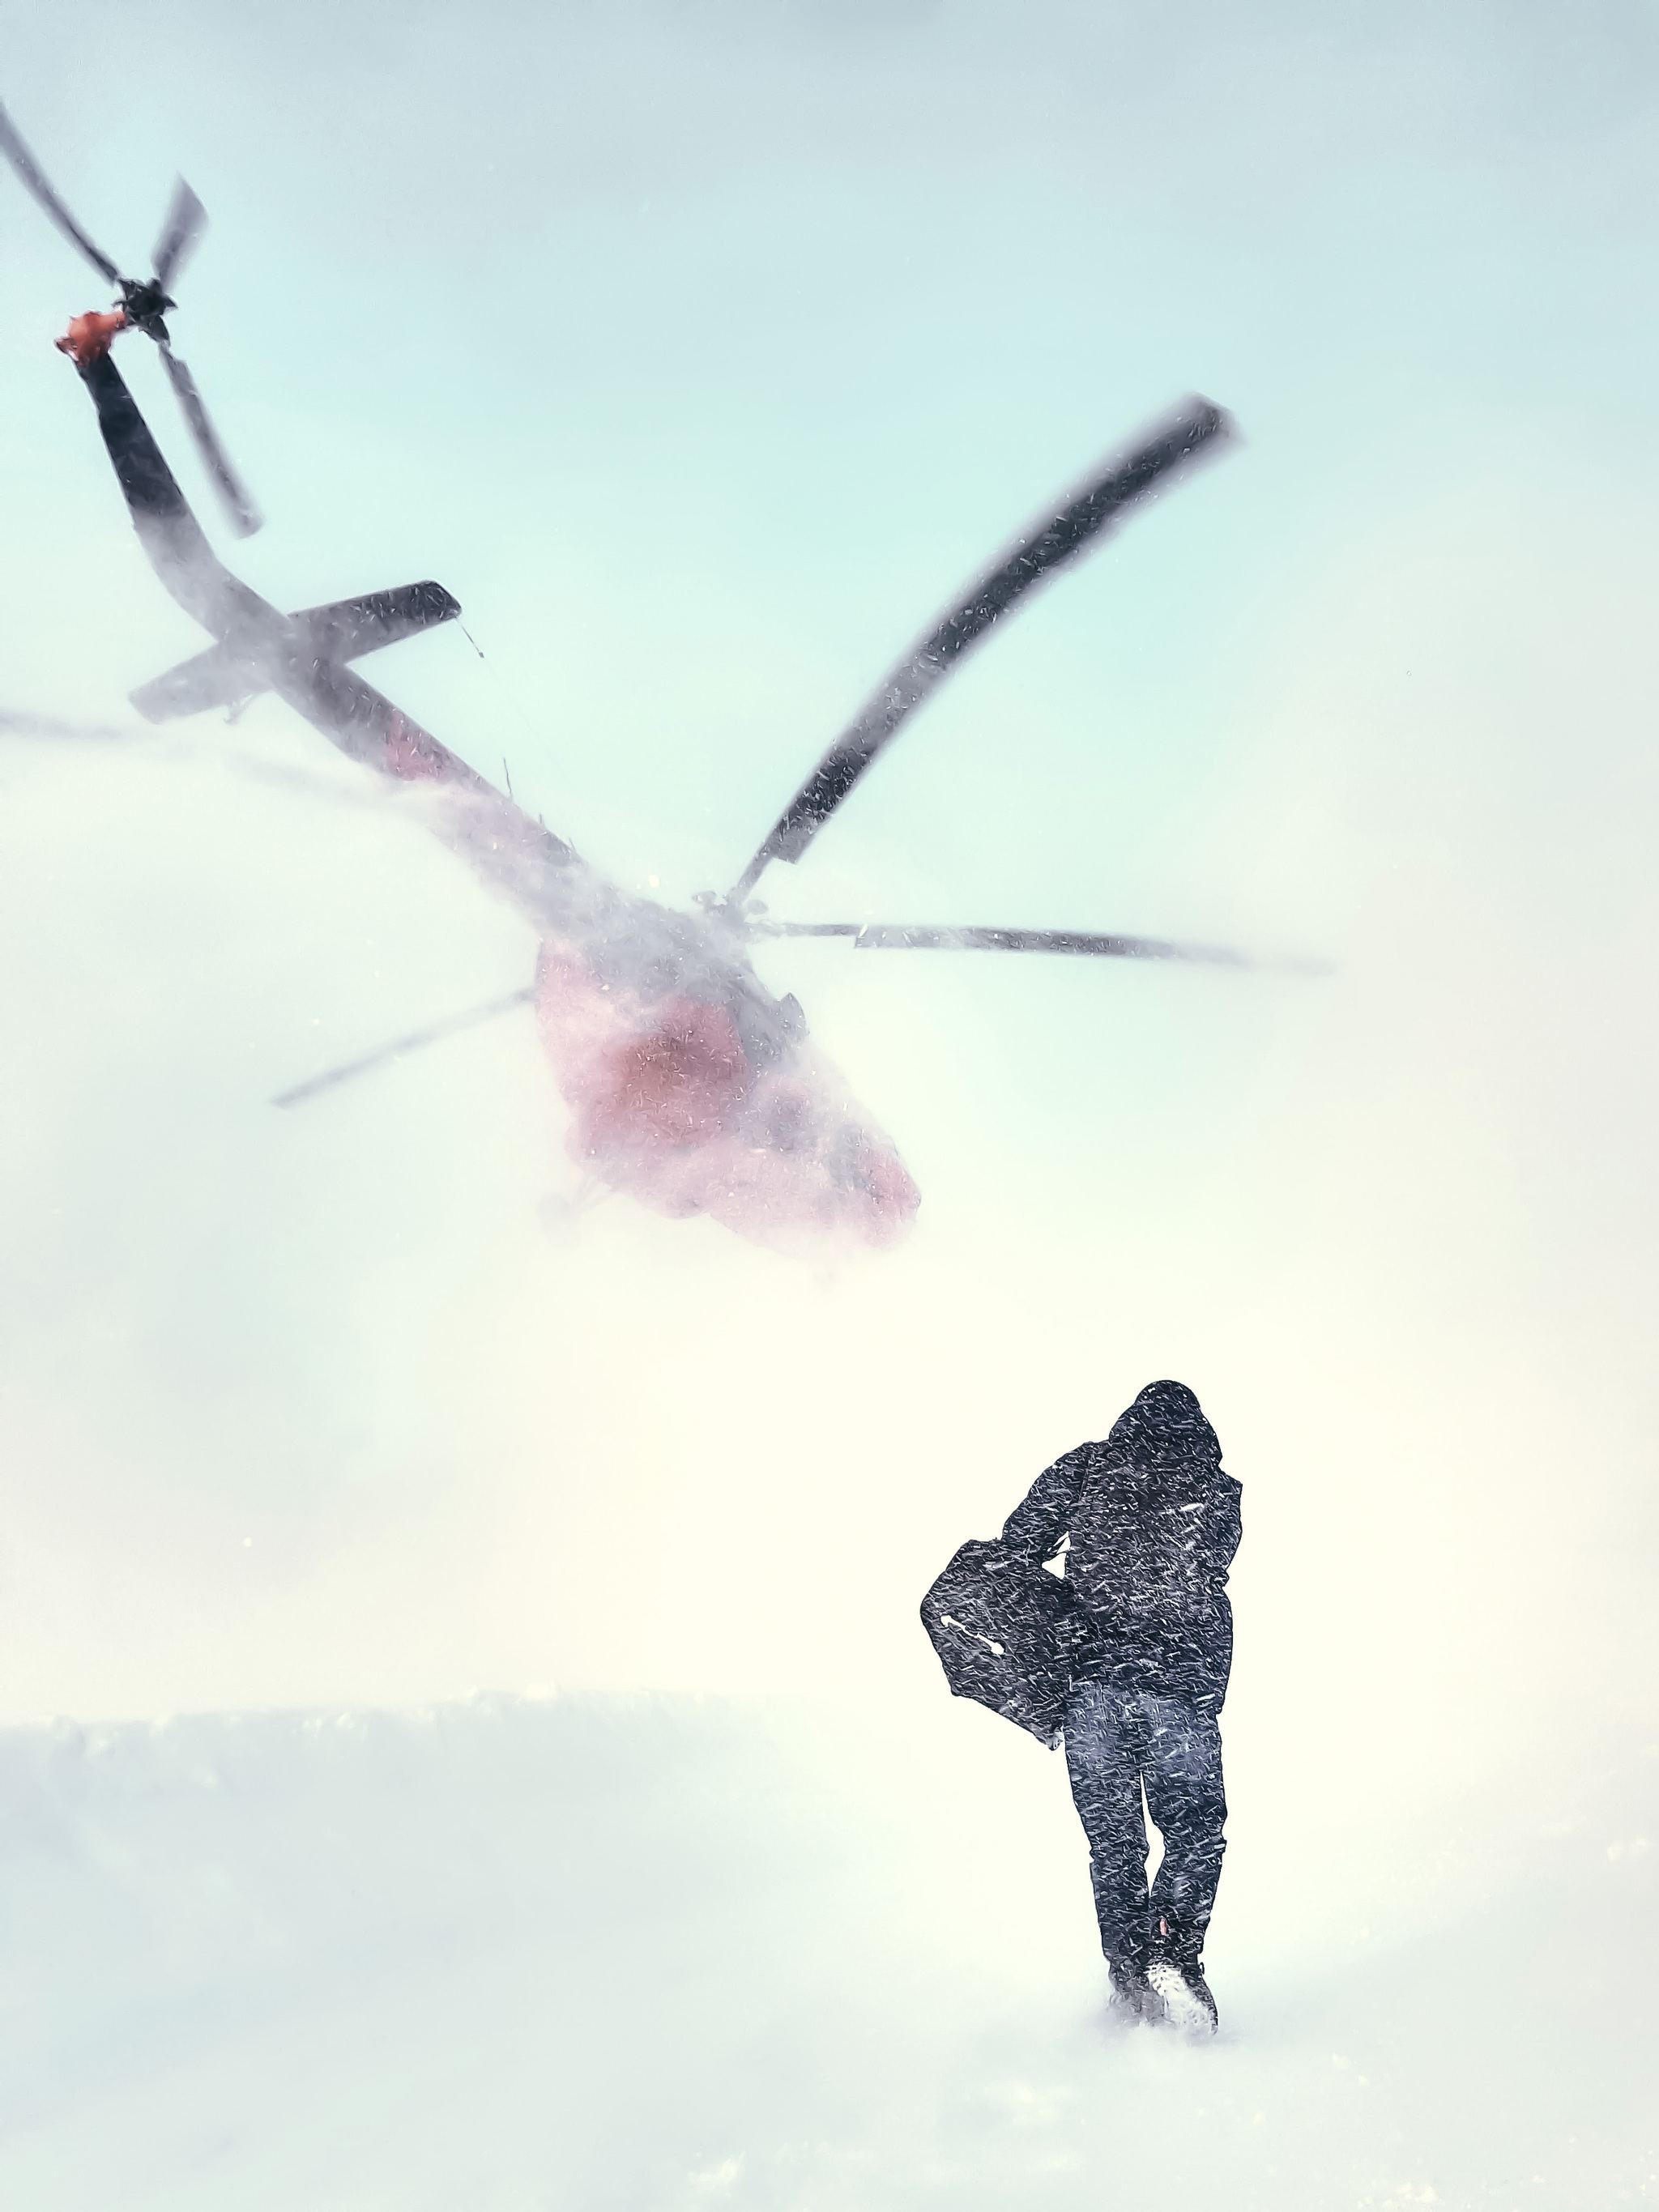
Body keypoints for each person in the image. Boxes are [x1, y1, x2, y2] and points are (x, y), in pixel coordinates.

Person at [1002, 1379, 1242, 2033]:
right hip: (1179, 1689)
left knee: (1115, 1844)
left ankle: (1132, 1984)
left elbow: (1018, 1543)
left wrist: (1055, 1614)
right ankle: (1175, 1952)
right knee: (1194, 1829)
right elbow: (1204, 1572)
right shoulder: (1217, 1492)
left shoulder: (1088, 1466)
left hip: (1094, 1689)